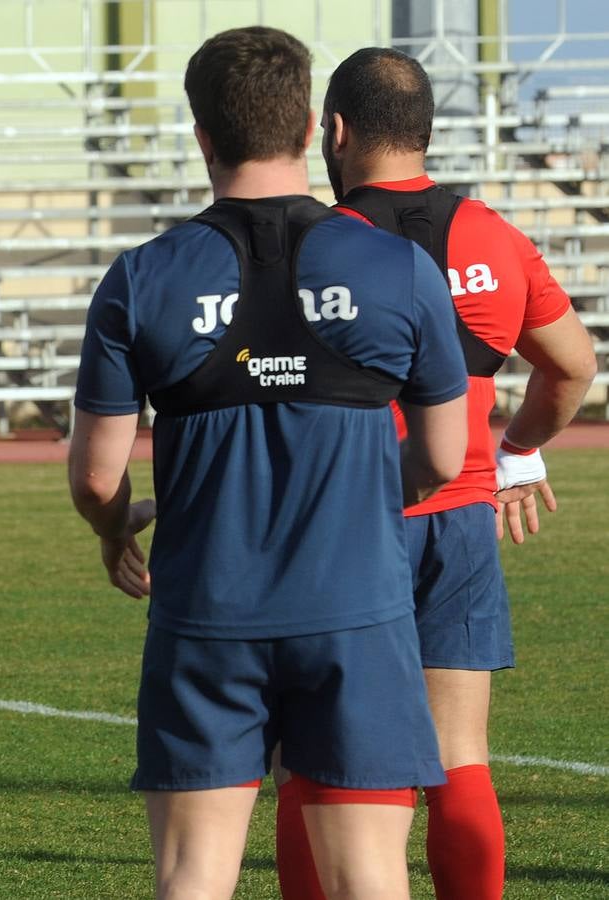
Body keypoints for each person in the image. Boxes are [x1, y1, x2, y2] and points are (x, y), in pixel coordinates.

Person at [68, 26, 472, 899]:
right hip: (358, 615)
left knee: (192, 879)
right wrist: (368, 495)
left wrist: (114, 530)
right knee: (368, 877)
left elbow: (98, 479)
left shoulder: (141, 277)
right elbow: (443, 455)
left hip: (206, 615)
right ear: (317, 131)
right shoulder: (400, 268)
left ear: (203, 136)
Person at [273, 47, 598, 900]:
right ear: (425, 132)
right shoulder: (493, 234)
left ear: (334, 133)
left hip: (338, 524)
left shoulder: (308, 243)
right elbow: (570, 366)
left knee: (314, 755)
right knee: (459, 753)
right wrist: (516, 452)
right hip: (457, 518)